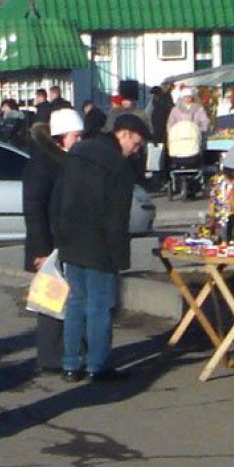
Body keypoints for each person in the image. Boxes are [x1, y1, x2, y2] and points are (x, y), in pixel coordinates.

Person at [54, 114, 150, 383]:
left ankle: (71, 364)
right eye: (136, 143)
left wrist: (59, 237)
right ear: (124, 134)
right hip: (100, 244)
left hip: (71, 238)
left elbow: (58, 196)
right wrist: (121, 256)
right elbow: (117, 216)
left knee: (75, 303)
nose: (136, 150)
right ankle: (98, 364)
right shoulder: (118, 165)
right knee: (100, 305)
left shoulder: (78, 152)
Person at [22, 108, 83, 375]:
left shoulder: (68, 160)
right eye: (75, 136)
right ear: (60, 137)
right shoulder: (42, 163)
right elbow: (34, 208)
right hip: (49, 246)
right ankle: (50, 357)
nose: (79, 141)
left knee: (67, 300)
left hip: (67, 242)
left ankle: (68, 352)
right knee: (50, 303)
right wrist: (41, 250)